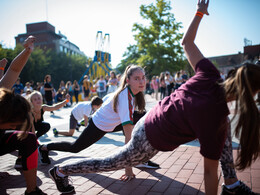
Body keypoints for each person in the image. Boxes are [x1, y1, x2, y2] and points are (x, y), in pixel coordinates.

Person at [48, 1, 260, 194]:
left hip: (152, 120)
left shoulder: (211, 74)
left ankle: (231, 184)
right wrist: (129, 167)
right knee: (109, 163)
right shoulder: (213, 114)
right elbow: (208, 173)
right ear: (250, 93)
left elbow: (187, 43)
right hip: (149, 137)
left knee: (224, 123)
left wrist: (199, 13)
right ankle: (61, 171)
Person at [40, 65, 146, 193]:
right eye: (136, 78)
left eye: (143, 77)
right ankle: (44, 147)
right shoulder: (125, 98)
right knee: (75, 147)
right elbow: (128, 139)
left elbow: (108, 100)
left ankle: (143, 157)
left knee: (142, 115)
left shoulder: (132, 93)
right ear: (128, 80)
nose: (141, 81)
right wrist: (128, 169)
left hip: (110, 123)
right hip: (98, 125)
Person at [0, 36, 46, 195]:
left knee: (29, 137)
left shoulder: (1, 93)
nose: (15, 127)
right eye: (13, 125)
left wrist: (27, 51)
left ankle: (32, 190)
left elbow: (13, 71)